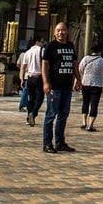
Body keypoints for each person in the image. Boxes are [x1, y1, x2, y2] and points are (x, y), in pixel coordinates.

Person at [42, 23, 78, 153]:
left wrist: (78, 79)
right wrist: (45, 82)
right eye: (58, 30)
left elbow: (74, 63)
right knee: (51, 115)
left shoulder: (70, 46)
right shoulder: (50, 46)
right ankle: (47, 143)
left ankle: (60, 142)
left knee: (63, 115)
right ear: (54, 32)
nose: (61, 33)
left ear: (67, 32)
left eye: (63, 30)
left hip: (66, 87)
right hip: (54, 86)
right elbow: (45, 64)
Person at [77, 40, 103, 132]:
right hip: (97, 85)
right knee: (94, 104)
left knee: (85, 103)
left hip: (86, 83)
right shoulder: (102, 61)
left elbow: (80, 69)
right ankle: (90, 125)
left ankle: (84, 122)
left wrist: (81, 78)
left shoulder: (85, 59)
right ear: (100, 50)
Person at [19, 37, 45, 127]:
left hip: (29, 77)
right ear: (37, 42)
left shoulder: (27, 52)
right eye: (42, 42)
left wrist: (22, 79)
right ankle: (33, 113)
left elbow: (23, 67)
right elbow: (45, 64)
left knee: (31, 98)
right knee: (40, 98)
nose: (43, 43)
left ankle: (28, 116)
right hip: (39, 77)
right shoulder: (42, 50)